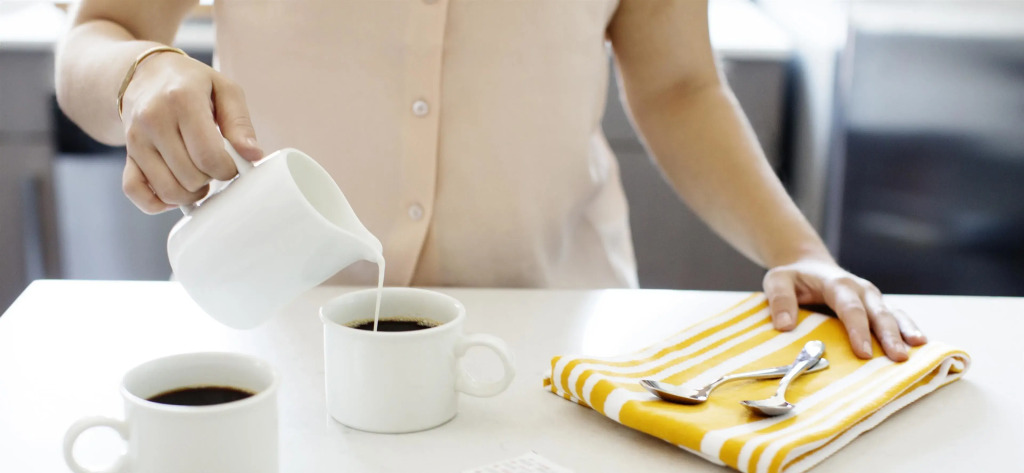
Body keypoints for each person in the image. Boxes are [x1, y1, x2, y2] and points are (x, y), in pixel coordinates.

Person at [55, 0, 926, 361]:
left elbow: (678, 85)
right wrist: (140, 74)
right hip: (285, 339)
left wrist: (798, 250)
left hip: (553, 346)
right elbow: (101, 31)